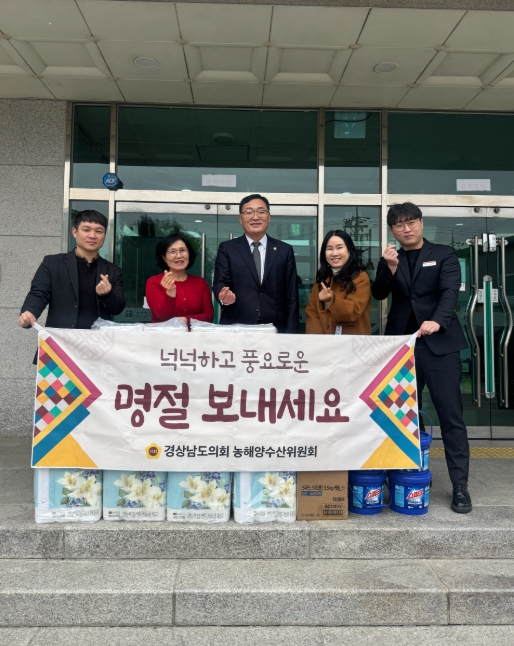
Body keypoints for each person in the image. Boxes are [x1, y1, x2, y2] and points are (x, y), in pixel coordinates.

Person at [371, 202, 471, 514]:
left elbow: (450, 293)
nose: (407, 229)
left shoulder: (444, 254)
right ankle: (402, 479)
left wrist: (438, 320)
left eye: (411, 222)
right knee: (401, 417)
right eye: (399, 225)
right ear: (392, 230)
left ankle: (460, 485)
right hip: (403, 347)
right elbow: (378, 293)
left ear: (421, 223)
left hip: (440, 345)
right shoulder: (391, 257)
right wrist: (389, 268)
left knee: (450, 416)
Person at [18, 210, 125, 338]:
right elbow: (38, 293)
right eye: (86, 230)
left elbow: (117, 309)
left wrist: (107, 295)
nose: (92, 235)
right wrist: (29, 312)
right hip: (60, 342)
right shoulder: (52, 263)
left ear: (104, 236)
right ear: (74, 232)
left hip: (98, 343)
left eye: (99, 231)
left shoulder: (113, 271)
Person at [212, 194, 299, 333]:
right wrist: (223, 296)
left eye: (261, 211)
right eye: (249, 212)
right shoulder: (227, 248)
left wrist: (291, 334)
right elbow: (220, 282)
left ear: (269, 217)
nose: (255, 217)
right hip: (236, 327)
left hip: (276, 327)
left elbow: (292, 296)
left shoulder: (284, 250)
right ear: (240, 219)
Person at [305, 230, 370, 335]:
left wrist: (330, 301)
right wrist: (318, 340)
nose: (334, 253)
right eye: (329, 249)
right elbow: (312, 313)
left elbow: (353, 311)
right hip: (323, 343)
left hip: (351, 342)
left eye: (339, 247)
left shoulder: (360, 277)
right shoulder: (322, 278)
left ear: (350, 250)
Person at [146, 233, 213, 327]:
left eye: (183, 250)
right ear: (164, 257)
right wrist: (170, 294)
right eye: (173, 251)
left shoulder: (200, 283)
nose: (179, 256)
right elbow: (161, 318)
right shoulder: (154, 282)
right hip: (165, 335)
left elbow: (209, 316)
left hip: (196, 335)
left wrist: (184, 320)